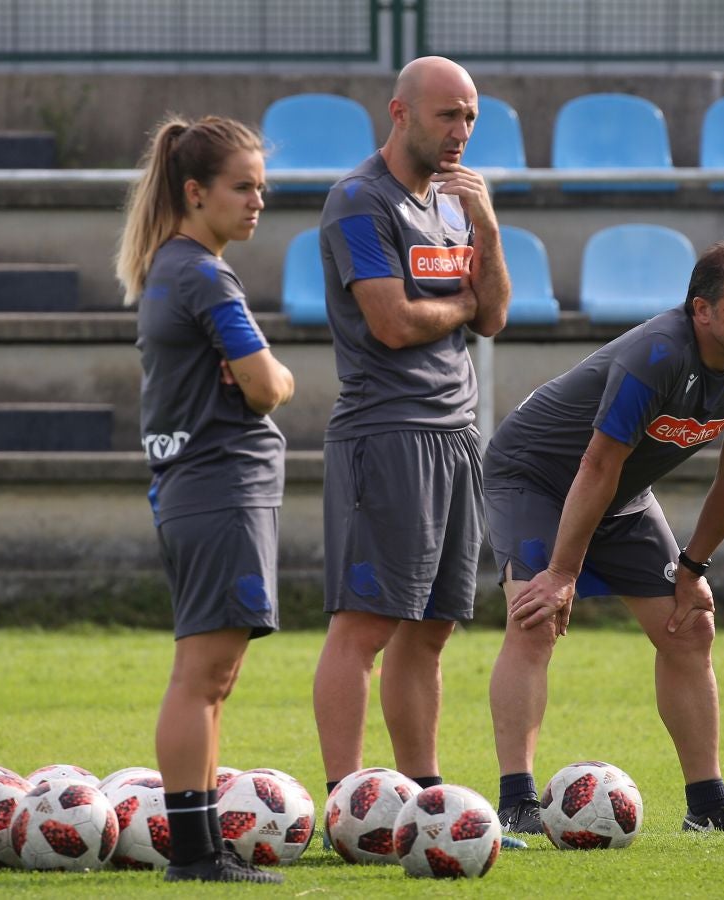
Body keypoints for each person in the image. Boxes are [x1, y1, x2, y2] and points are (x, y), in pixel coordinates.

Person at [484, 239, 724, 836]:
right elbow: (596, 466)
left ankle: (707, 807)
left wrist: (694, 567)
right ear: (701, 310)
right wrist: (561, 574)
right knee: (535, 618)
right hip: (536, 477)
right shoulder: (657, 353)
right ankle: (516, 800)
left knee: (690, 625)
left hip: (618, 495)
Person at [311, 56, 511, 804]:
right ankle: (347, 800)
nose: (460, 132)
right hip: (386, 432)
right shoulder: (360, 201)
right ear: (399, 114)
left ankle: (420, 794)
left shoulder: (459, 203)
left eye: (469, 117)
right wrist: (459, 306)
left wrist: (486, 224)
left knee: (430, 628)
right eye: (446, 115)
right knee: (365, 625)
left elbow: (493, 314)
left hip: (456, 432)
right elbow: (393, 324)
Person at [115, 114, 296, 883]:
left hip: (200, 487)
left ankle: (202, 845)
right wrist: (278, 378)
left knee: (210, 678)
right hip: (219, 485)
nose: (257, 201)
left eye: (262, 187)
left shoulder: (172, 266)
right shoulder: (203, 274)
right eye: (242, 187)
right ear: (195, 192)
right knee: (203, 677)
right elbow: (265, 386)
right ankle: (192, 853)